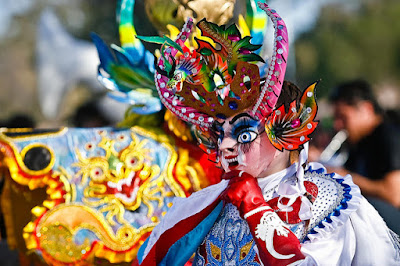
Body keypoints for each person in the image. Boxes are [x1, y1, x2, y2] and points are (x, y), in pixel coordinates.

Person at [135, 2, 400, 265]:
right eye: (220, 134)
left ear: (286, 130)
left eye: (243, 135)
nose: (226, 145)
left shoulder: (323, 202)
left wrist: (254, 206)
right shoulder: (206, 205)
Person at [328, 79, 400, 233]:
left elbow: (394, 195)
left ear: (366, 109)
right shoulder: (359, 142)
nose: (337, 125)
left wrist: (345, 177)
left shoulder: (388, 136)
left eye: (343, 117)